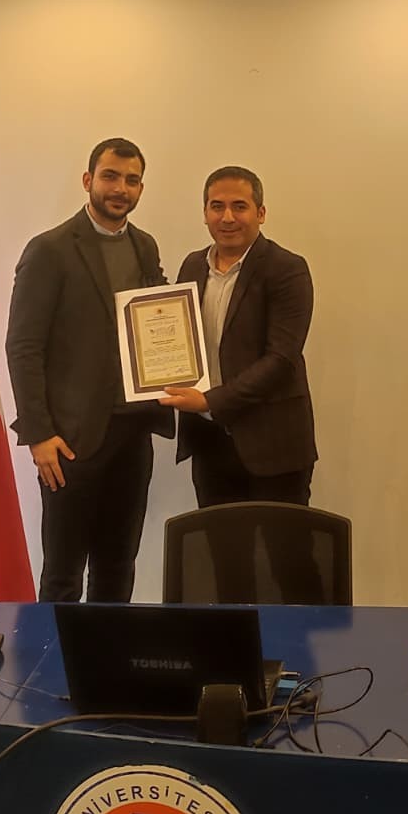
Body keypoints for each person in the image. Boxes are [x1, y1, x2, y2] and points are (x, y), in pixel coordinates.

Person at [5, 138, 173, 603]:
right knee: (62, 575)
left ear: (141, 189)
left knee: (117, 567)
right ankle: (53, 655)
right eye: (110, 176)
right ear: (88, 180)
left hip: (133, 434)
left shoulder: (145, 246)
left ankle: (108, 652)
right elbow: (23, 346)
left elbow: (155, 321)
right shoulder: (49, 249)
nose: (121, 188)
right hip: (70, 441)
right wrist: (39, 434)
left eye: (132, 180)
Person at [159, 167, 321, 600]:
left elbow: (281, 359)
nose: (227, 217)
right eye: (217, 206)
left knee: (290, 565)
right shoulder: (193, 265)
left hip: (275, 446)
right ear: (204, 213)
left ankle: (305, 646)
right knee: (226, 564)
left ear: (260, 213)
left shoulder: (287, 269)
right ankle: (237, 645)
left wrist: (210, 400)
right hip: (210, 444)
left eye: (239, 206)